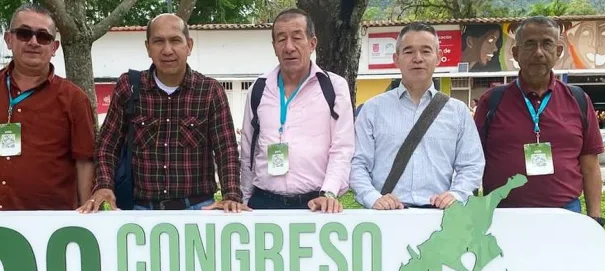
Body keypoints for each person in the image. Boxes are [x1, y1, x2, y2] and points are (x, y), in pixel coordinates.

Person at [79, 13, 247, 213]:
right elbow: (107, 144)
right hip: (142, 211)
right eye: (158, 41)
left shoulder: (210, 91)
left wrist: (231, 195)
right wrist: (104, 185)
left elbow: (226, 149)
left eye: (175, 40)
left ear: (189, 46)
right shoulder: (129, 87)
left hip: (199, 210)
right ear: (148, 48)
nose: (167, 50)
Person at [0, 4, 96, 224]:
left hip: (49, 224)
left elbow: (84, 162)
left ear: (54, 47)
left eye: (43, 37)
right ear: (9, 39)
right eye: (24, 33)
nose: (33, 42)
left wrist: (87, 218)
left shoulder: (74, 99)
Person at [473, 16, 604, 224]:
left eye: (547, 44)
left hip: (565, 215)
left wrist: (595, 218)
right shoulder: (492, 101)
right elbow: (471, 162)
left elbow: (590, 165)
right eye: (530, 44)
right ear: (516, 53)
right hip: (503, 216)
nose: (539, 52)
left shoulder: (578, 100)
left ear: (558, 51)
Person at [350, 22, 484, 210]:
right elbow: (357, 163)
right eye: (409, 51)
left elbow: (471, 165)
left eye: (426, 51)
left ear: (438, 58)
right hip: (386, 215)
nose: (418, 58)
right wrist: (372, 197)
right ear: (396, 59)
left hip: (440, 216)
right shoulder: (372, 109)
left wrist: (456, 195)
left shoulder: (458, 112)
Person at [238, 8, 355, 213]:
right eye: (281, 39)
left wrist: (328, 194)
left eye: (297, 37)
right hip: (263, 202)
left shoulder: (334, 87)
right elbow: (248, 150)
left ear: (312, 43)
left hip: (315, 204)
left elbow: (342, 148)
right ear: (274, 47)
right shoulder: (259, 89)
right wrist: (245, 199)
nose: (289, 47)